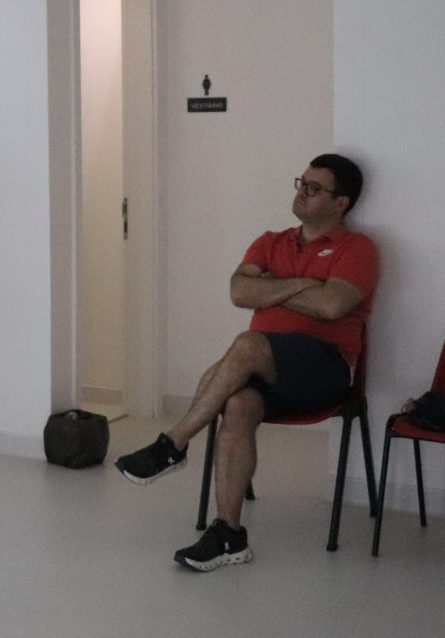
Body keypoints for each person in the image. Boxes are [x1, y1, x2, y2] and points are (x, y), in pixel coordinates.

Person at [114, 154, 378, 572]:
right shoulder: (271, 241)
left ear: (341, 202)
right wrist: (304, 284)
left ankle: (174, 444)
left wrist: (270, 288)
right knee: (237, 404)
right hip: (267, 371)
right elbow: (239, 292)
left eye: (314, 188)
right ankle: (229, 535)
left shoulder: (358, 249)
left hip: (324, 370)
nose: (302, 193)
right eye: (301, 182)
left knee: (248, 343)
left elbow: (332, 306)